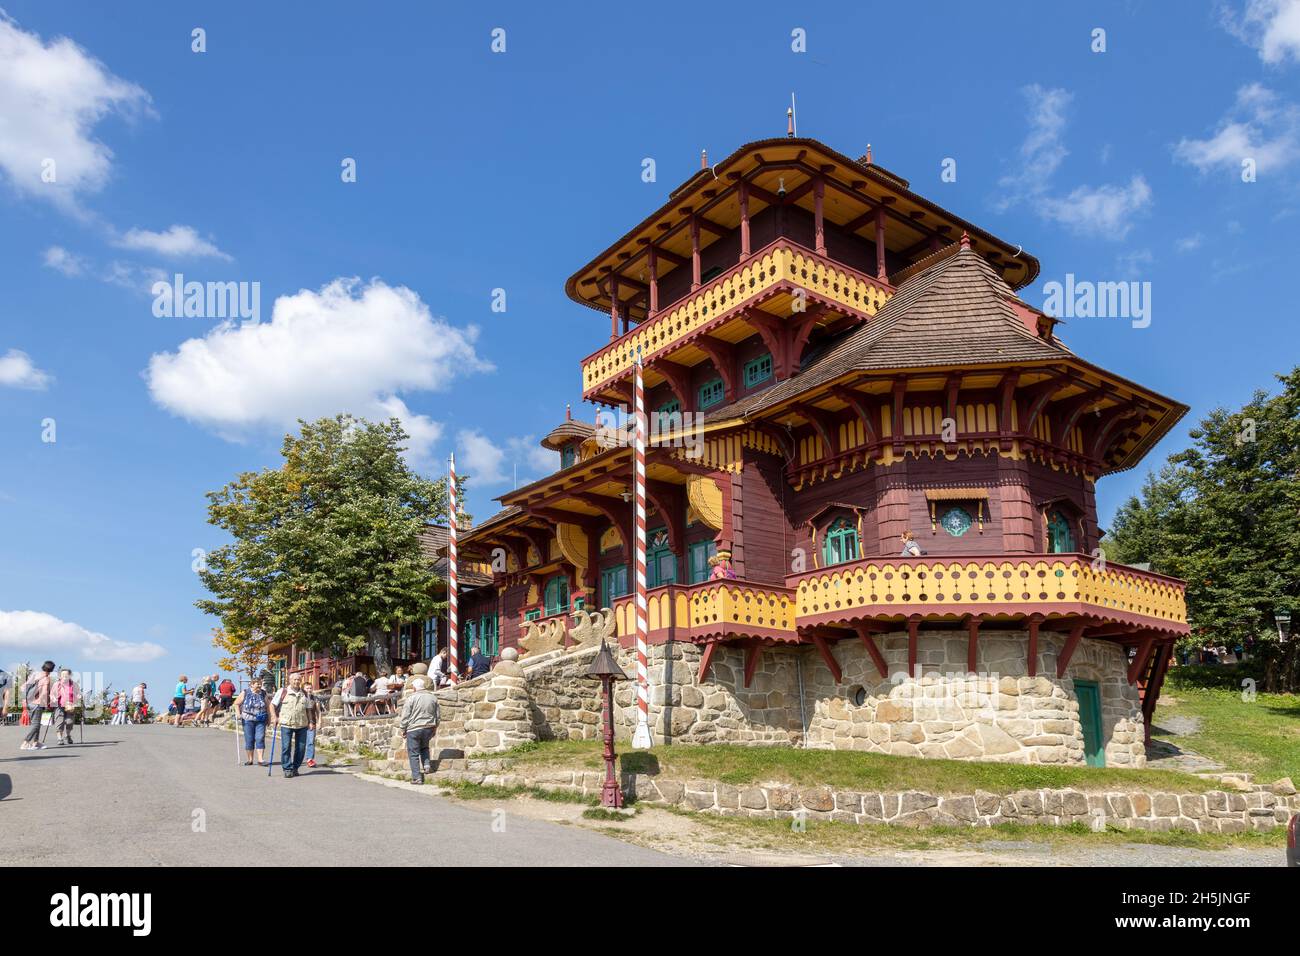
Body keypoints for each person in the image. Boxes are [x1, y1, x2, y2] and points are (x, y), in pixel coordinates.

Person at [269, 673, 311, 778]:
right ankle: (287, 768)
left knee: (301, 748)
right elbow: (272, 705)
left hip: (302, 724)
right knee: (286, 747)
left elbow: (308, 709)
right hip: (286, 723)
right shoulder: (283, 692)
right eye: (295, 679)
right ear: (290, 680)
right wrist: (274, 717)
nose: (297, 681)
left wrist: (311, 722)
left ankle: (295, 767)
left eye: (298, 680)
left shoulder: (305, 694)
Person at [398, 677, 440, 784]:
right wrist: (435, 726)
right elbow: (438, 715)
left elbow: (405, 715)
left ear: (415, 687)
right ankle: (426, 766)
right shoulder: (433, 697)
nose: (412, 688)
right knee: (424, 747)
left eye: (413, 686)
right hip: (429, 727)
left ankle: (417, 777)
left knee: (413, 753)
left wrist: (403, 728)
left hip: (414, 728)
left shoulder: (411, 698)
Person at [20, 661, 55, 750]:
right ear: (51, 669)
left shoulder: (35, 674)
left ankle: (36, 743)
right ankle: (25, 742)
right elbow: (44, 693)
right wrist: (47, 703)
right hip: (37, 703)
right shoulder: (46, 678)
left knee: (36, 723)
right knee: (36, 725)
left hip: (29, 703)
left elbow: (23, 687)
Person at [234, 678, 269, 766]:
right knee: (249, 739)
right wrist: (238, 714)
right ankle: (250, 759)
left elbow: (268, 706)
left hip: (261, 719)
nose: (260, 686)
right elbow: (236, 704)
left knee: (260, 738)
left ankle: (260, 760)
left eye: (260, 684)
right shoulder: (245, 692)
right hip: (247, 719)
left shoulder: (263, 693)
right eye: (258, 684)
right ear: (252, 684)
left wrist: (269, 717)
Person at [52, 669, 78, 745]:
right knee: (59, 721)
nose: (64, 676)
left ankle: (68, 735)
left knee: (70, 722)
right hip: (59, 705)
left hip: (70, 705)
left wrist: (79, 696)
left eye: (66, 675)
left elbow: (78, 693)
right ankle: (59, 738)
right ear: (60, 676)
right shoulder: (57, 684)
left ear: (70, 675)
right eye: (63, 675)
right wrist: (53, 698)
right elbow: (52, 694)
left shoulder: (73, 684)